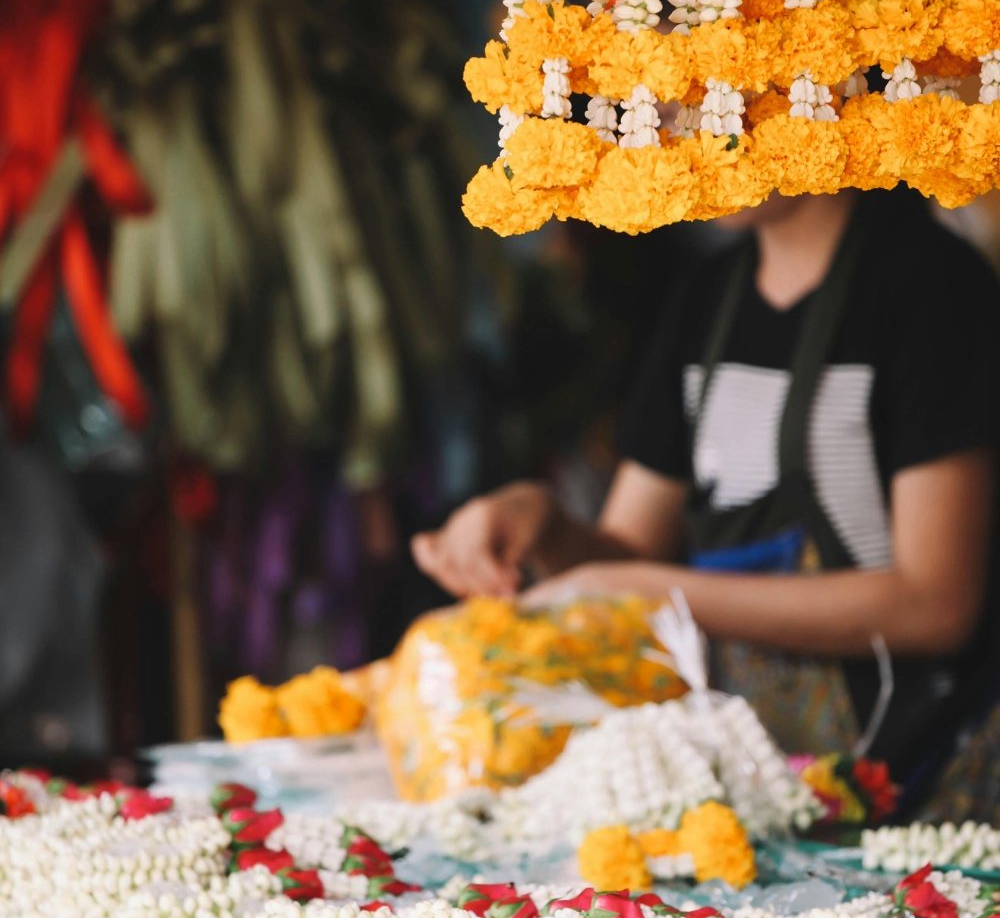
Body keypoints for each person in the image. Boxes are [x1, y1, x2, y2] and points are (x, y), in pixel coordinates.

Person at [412, 188, 1000, 797]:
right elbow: (625, 564)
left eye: (715, 99)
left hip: (923, 771)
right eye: (674, 104)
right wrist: (542, 524)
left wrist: (658, 591)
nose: (688, 127)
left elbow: (935, 606)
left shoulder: (936, 284)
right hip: (747, 776)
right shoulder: (708, 295)